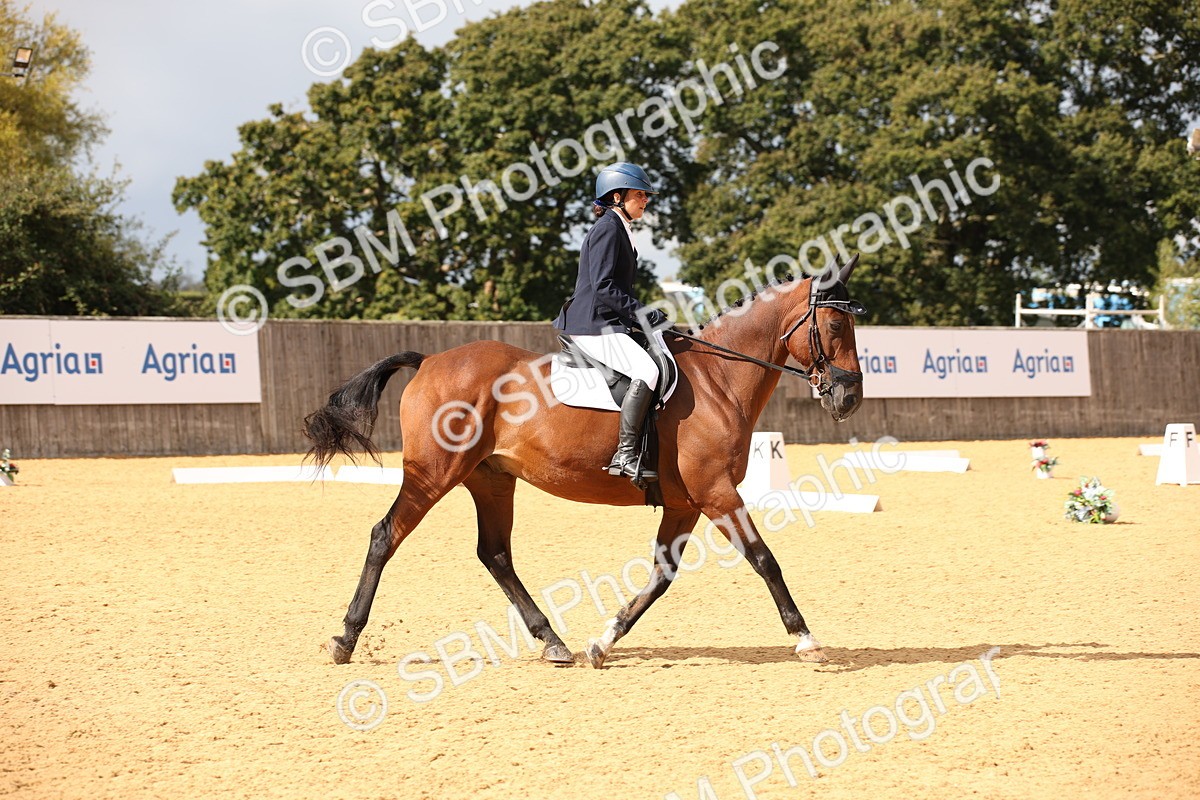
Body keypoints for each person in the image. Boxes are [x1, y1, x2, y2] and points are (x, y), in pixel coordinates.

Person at [553, 162, 670, 483]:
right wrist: (644, 315)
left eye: (646, 195)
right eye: (640, 194)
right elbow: (604, 287)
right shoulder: (608, 229)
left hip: (606, 322)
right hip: (592, 324)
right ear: (617, 196)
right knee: (647, 371)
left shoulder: (619, 227)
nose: (646, 199)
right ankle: (626, 454)